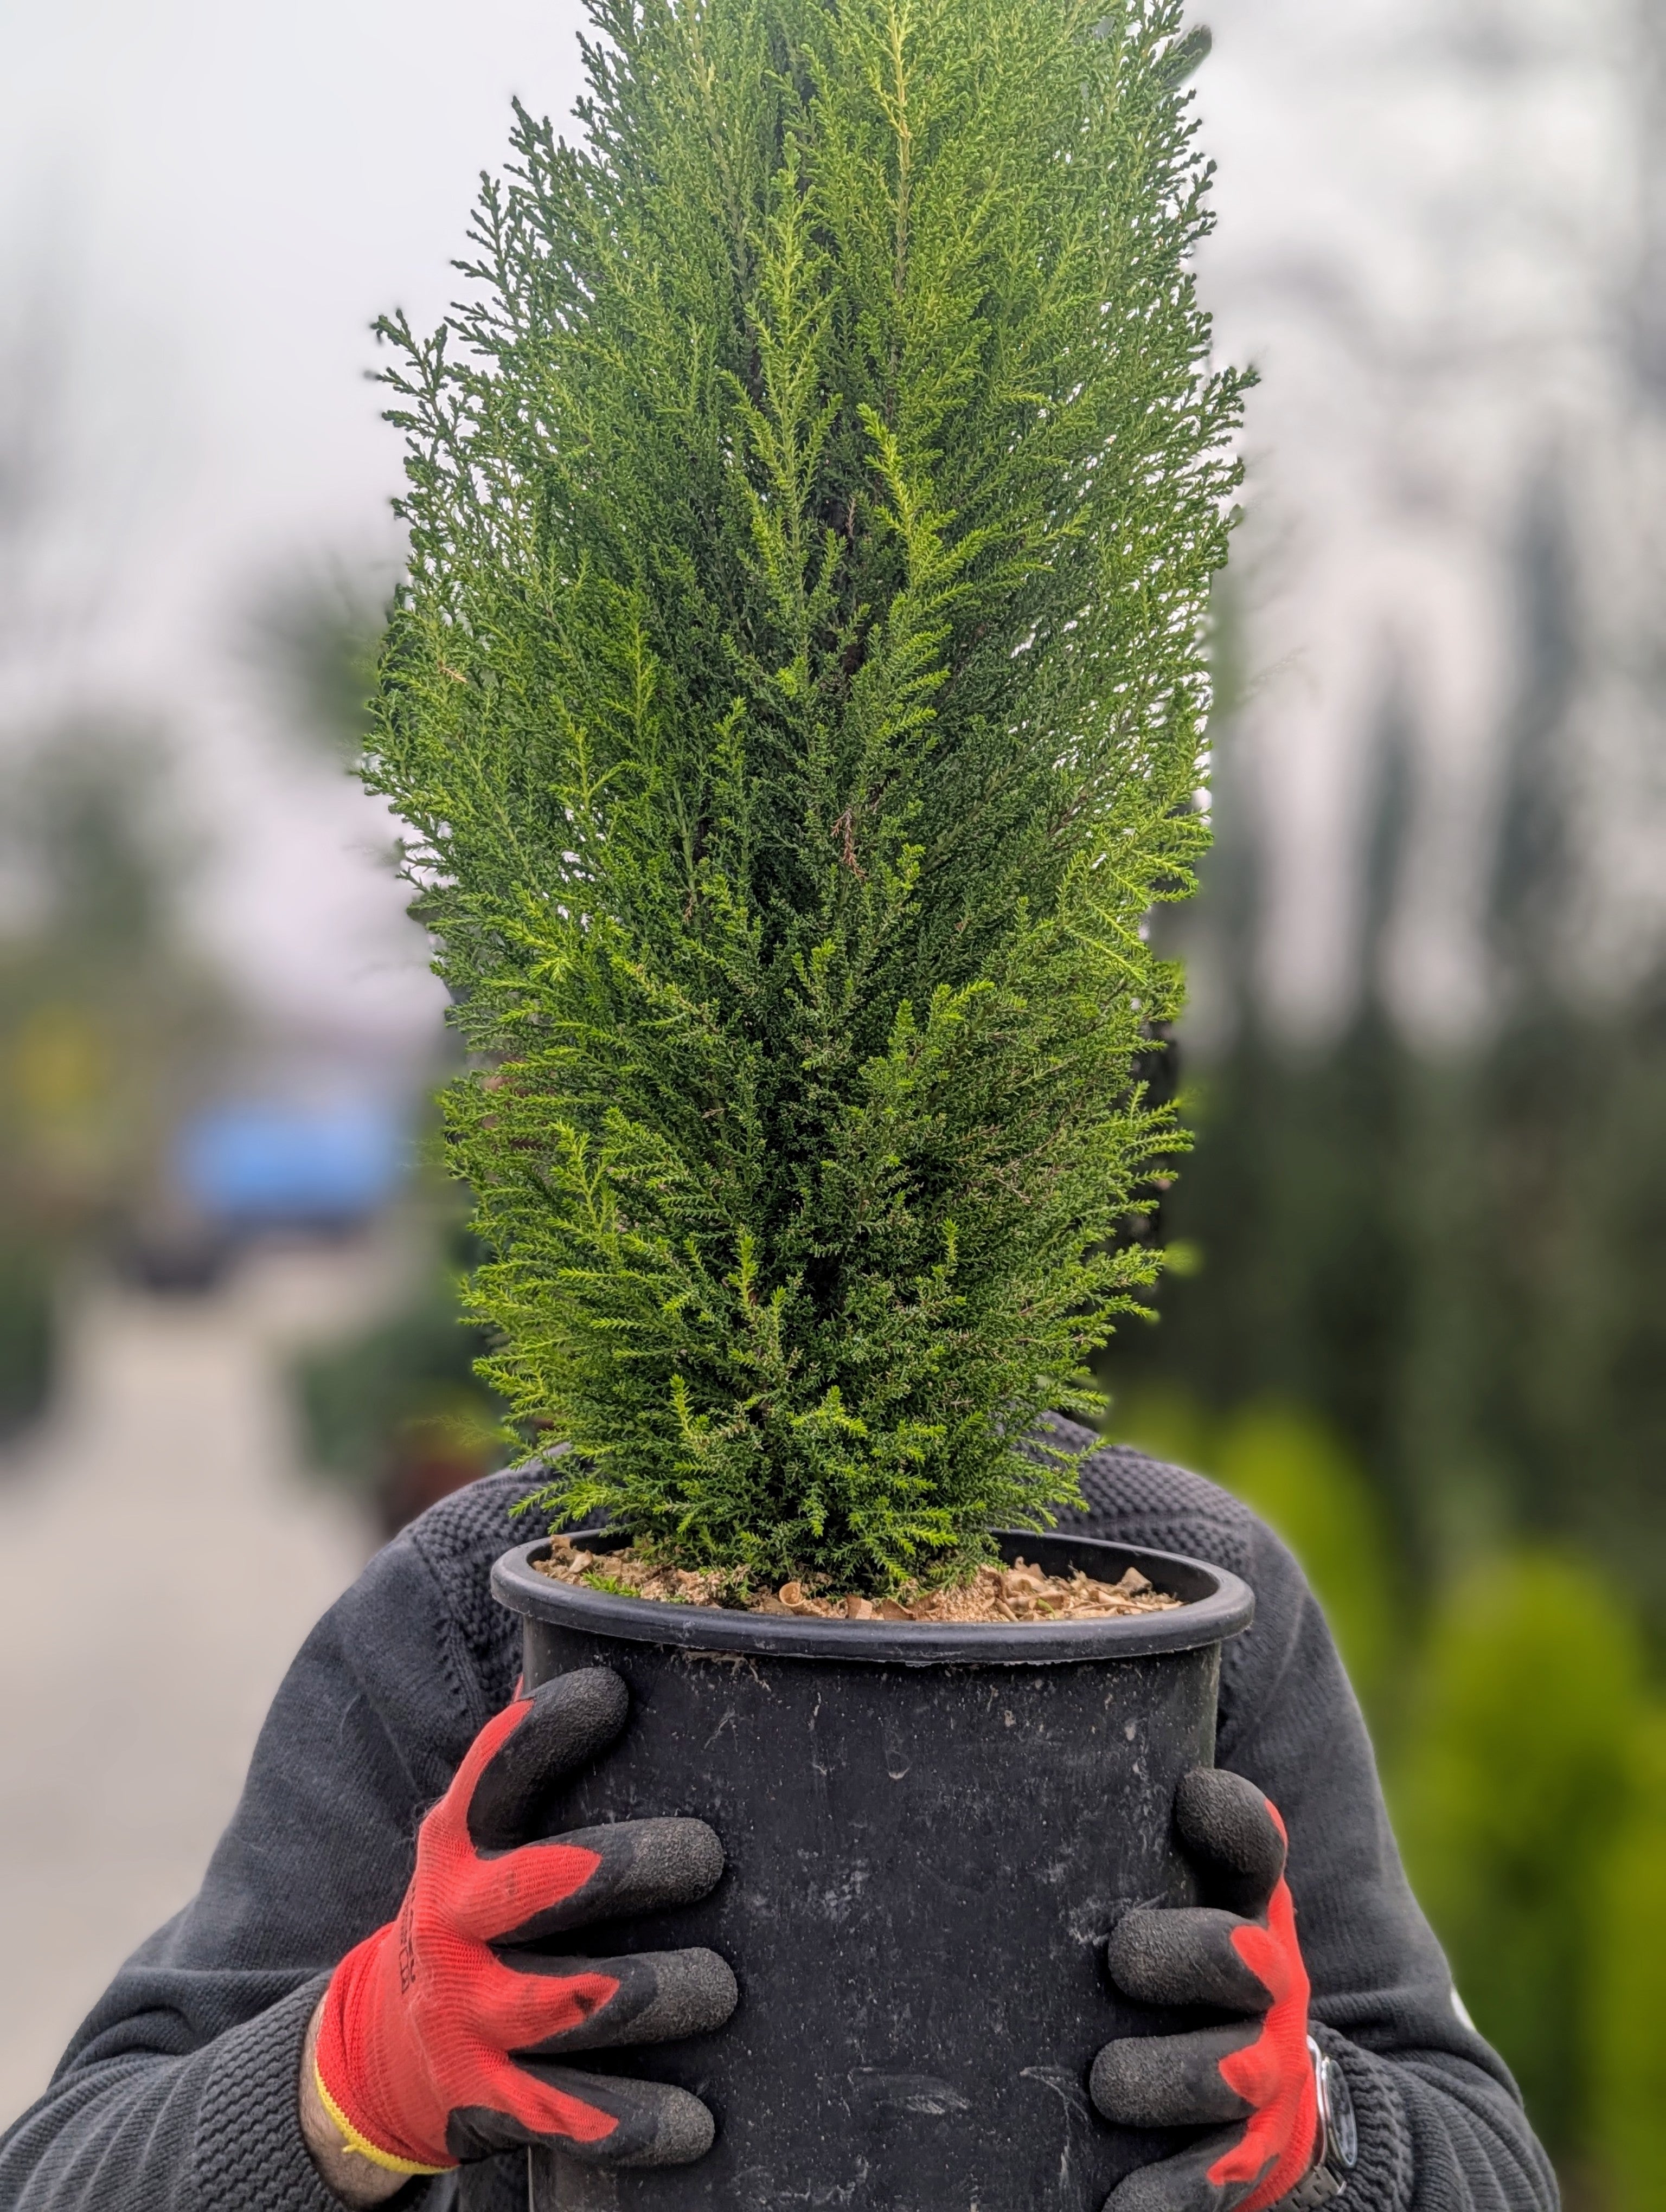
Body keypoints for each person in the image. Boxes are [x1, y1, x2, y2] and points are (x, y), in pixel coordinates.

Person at [0, 1424, 1558, 2212]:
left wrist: (1333, 2130)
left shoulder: (1193, 1609)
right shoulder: (473, 1616)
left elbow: (1494, 2162)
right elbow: (61, 2170)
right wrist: (347, 2073)